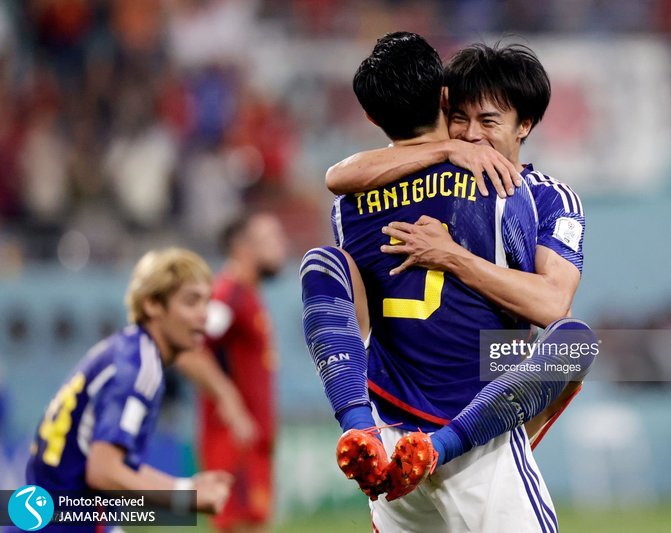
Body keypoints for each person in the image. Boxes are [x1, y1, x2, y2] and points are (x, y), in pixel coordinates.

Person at [301, 32, 594, 532]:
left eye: (488, 122)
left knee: (323, 266)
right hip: (470, 402)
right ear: (442, 104)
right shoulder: (516, 194)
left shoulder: (354, 200)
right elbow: (551, 307)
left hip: (396, 403)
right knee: (573, 346)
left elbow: (339, 176)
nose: (471, 136)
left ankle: (359, 424)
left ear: (524, 125)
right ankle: (443, 443)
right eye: (461, 118)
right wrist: (444, 156)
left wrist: (452, 255)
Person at [11, 248, 233, 532]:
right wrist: (185, 500)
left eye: (207, 302)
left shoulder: (128, 352)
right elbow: (103, 472)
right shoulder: (138, 367)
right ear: (152, 304)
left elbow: (113, 464)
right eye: (191, 302)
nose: (204, 315)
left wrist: (184, 487)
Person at [177, 211, 287, 533]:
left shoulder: (247, 295)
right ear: (243, 248)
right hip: (234, 444)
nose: (281, 245)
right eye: (271, 238)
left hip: (252, 443)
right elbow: (186, 349)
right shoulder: (229, 296)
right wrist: (231, 402)